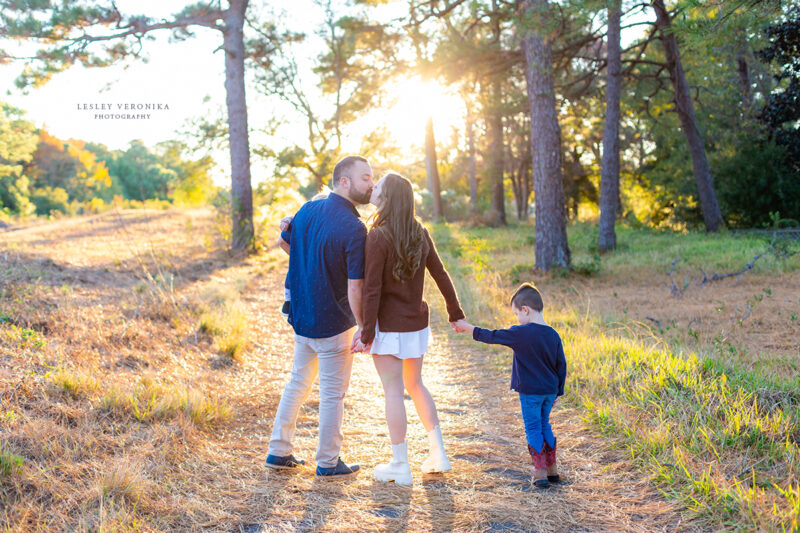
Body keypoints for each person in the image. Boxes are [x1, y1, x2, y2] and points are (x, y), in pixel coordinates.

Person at [352, 172, 465, 486]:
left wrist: (366, 333)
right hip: (415, 325)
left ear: (387, 199)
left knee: (392, 390)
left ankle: (400, 465)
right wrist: (455, 313)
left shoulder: (377, 236)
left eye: (379, 188)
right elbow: (441, 274)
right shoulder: (420, 232)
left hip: (388, 327)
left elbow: (371, 289)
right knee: (415, 385)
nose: (373, 190)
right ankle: (438, 453)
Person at [266, 155, 374, 478]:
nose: (371, 184)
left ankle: (278, 450)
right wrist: (365, 327)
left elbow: (284, 243)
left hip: (303, 320)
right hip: (334, 326)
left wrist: (310, 258)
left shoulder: (306, 210)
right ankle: (328, 462)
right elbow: (356, 288)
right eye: (366, 178)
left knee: (297, 383)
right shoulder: (355, 228)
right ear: (344, 181)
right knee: (332, 394)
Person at [451, 283, 567, 488]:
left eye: (516, 313)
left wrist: (467, 327)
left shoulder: (521, 333)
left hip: (530, 392)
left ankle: (539, 474)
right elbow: (561, 364)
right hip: (549, 391)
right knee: (544, 424)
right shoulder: (553, 334)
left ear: (526, 310)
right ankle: (553, 471)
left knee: (532, 427)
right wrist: (559, 391)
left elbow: (492, 336)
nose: (516, 319)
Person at [278, 190, 330, 318]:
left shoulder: (307, 222)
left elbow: (281, 242)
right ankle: (288, 300)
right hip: (316, 270)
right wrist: (299, 257)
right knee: (293, 273)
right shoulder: (311, 224)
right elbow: (281, 241)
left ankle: (290, 302)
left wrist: (299, 258)